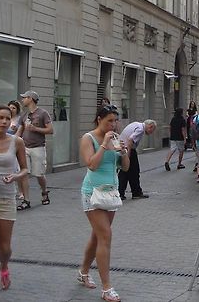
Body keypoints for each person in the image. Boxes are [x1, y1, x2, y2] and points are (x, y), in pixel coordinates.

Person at [79, 104, 129, 301]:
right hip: (92, 193)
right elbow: (91, 164)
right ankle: (107, 288)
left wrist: (124, 152)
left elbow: (125, 168)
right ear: (99, 119)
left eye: (115, 121)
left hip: (110, 194)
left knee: (97, 236)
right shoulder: (88, 138)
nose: (113, 125)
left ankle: (83, 271)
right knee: (105, 236)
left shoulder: (116, 138)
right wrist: (103, 145)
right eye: (110, 121)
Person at [0, 105, 28, 290]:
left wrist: (15, 176)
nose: (5, 121)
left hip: (5, 198)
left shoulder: (17, 142)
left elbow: (24, 169)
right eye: (1, 118)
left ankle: (4, 266)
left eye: (8, 118)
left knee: (4, 247)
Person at [16, 90, 53, 210]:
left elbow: (50, 130)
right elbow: (19, 131)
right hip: (24, 148)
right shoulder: (24, 115)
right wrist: (11, 141)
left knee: (39, 174)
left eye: (24, 97)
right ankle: (26, 200)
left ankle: (44, 192)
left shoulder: (43, 113)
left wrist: (35, 128)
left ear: (31, 98)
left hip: (38, 147)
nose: (22, 100)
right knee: (24, 174)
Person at [118, 119, 157, 200]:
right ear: (150, 126)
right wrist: (128, 155)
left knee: (125, 172)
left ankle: (120, 193)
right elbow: (130, 140)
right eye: (152, 130)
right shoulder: (140, 129)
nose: (151, 133)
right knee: (134, 172)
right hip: (128, 149)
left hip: (122, 148)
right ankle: (136, 193)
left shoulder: (136, 124)